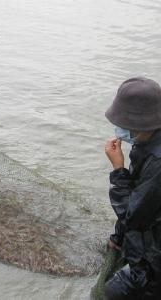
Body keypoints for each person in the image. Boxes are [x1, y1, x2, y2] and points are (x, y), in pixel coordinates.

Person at [104, 77, 161, 299]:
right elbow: (139, 194)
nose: (119, 130)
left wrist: (118, 170)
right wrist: (118, 237)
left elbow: (134, 216)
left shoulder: (158, 163)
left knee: (113, 292)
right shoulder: (146, 141)